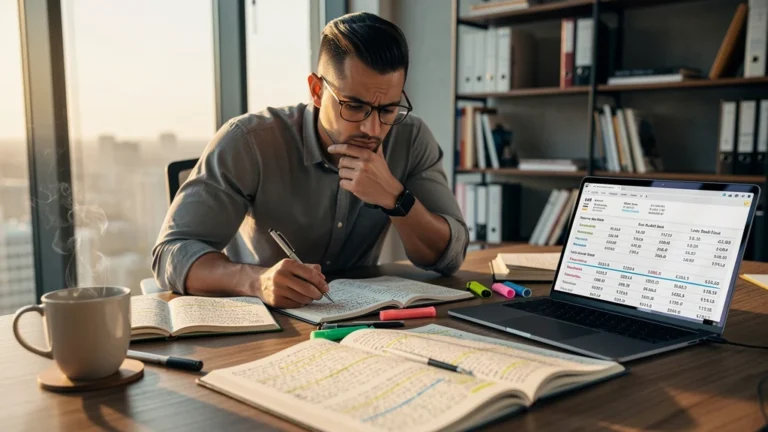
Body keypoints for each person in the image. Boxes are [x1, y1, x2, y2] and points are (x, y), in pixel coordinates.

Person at [151, 12, 469, 308]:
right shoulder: (249, 141)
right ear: (317, 91)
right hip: (266, 322)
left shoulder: (411, 137)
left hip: (363, 319)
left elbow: (448, 257)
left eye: (387, 109)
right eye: (354, 107)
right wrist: (255, 281)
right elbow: (170, 255)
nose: (373, 129)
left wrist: (396, 199)